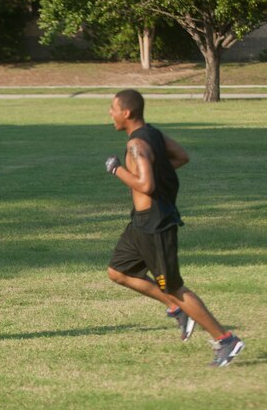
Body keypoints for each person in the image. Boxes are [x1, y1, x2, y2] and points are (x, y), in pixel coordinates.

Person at [104, 90, 244, 367]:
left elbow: (146, 185)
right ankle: (178, 309)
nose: (110, 113)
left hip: (156, 226)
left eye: (113, 108)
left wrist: (116, 170)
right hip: (140, 224)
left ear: (127, 113)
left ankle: (226, 339)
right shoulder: (152, 134)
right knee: (118, 272)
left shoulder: (136, 146)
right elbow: (181, 157)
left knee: (175, 287)